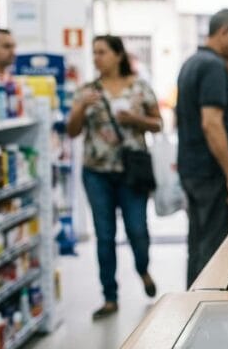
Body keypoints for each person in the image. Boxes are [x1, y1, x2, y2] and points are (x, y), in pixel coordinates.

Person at [66, 35, 162, 320]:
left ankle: (143, 269)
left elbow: (159, 123)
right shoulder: (86, 91)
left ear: (118, 55)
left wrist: (135, 121)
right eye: (94, 53)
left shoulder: (140, 88)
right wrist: (81, 108)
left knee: (137, 230)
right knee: (104, 236)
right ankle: (110, 297)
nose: (97, 58)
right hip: (96, 172)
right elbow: (72, 132)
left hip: (132, 173)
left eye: (103, 52)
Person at [176, 8, 228, 287]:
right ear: (223, 32)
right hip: (210, 172)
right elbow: (211, 124)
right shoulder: (213, 67)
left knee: (198, 243)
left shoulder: (193, 62)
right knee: (213, 248)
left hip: (193, 169)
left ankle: (193, 298)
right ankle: (204, 303)